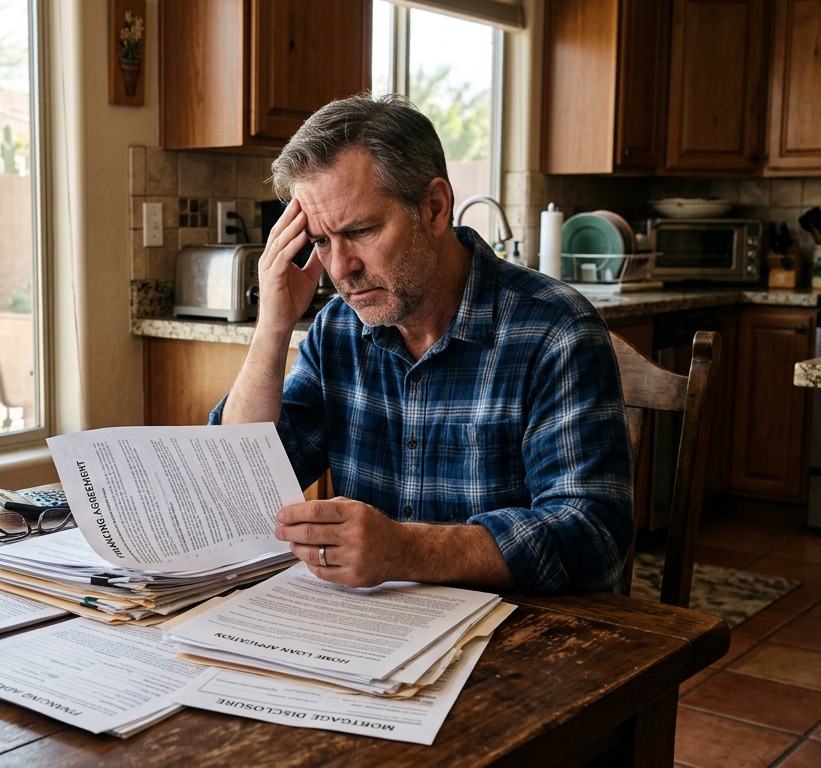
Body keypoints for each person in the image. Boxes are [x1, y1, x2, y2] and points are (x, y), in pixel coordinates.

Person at [210, 94, 632, 594]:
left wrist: (407, 551)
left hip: (517, 637)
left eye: (361, 231)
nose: (341, 269)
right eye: (321, 241)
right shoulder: (338, 330)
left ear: (434, 208)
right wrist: (272, 329)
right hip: (372, 637)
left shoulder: (555, 331)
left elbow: (594, 537)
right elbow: (236, 486)